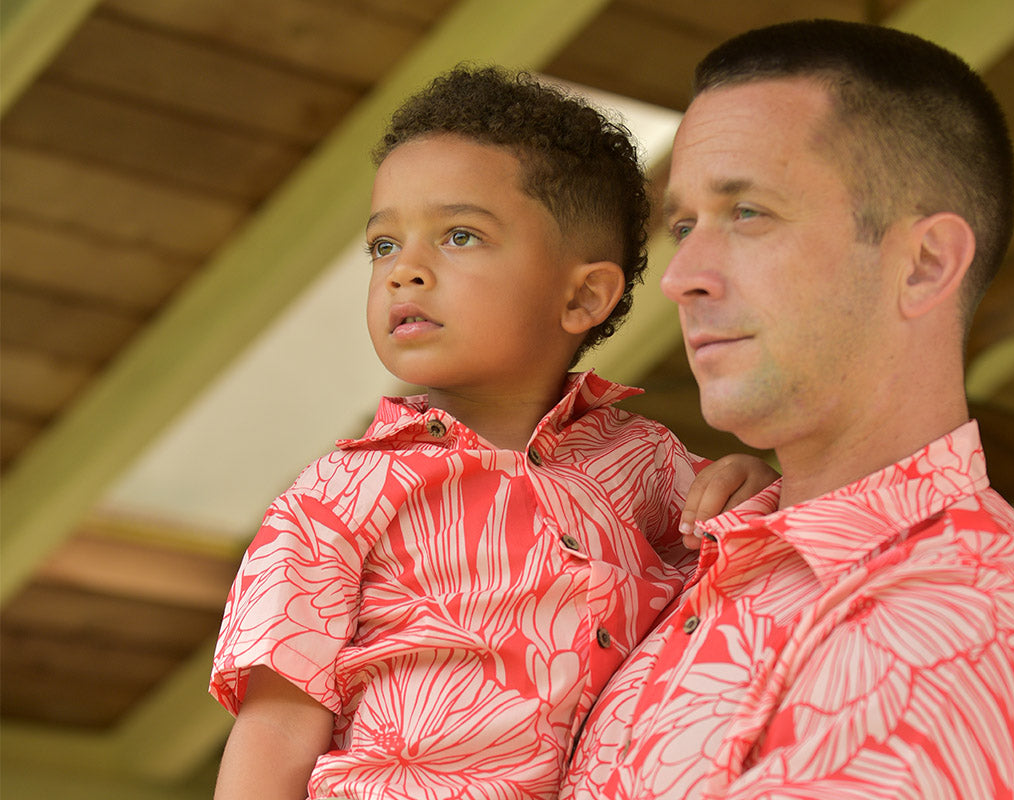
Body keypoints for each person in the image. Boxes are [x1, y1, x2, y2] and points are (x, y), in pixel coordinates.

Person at [563, 19, 1014, 799]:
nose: (680, 274)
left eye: (748, 212)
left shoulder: (954, 623)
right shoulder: (714, 557)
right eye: (684, 225)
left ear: (923, 265)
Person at [208, 66, 777, 800]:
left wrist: (753, 482)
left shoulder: (650, 464)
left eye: (459, 235)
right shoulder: (332, 498)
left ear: (582, 296)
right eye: (384, 246)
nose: (404, 271)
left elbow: (751, 564)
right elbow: (276, 732)